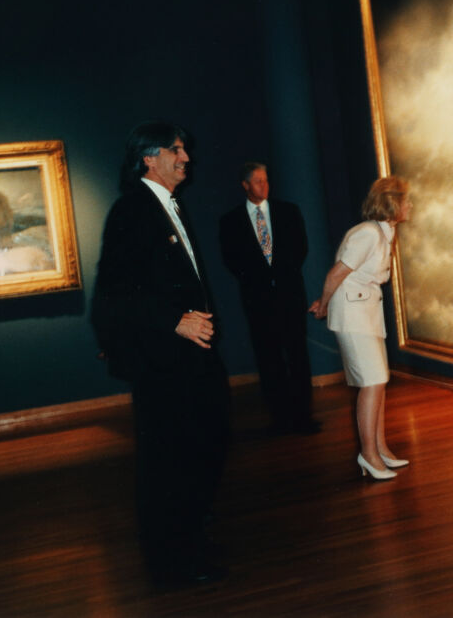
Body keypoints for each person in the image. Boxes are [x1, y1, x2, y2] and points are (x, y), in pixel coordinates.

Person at [91, 121, 230, 589]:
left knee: (200, 449)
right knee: (167, 462)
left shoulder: (172, 207)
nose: (186, 157)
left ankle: (189, 534)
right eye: (176, 150)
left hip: (192, 358)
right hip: (162, 361)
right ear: (149, 159)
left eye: (185, 149)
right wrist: (174, 320)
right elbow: (113, 295)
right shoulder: (132, 212)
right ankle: (172, 561)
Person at [309, 176, 412, 481]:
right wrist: (324, 304)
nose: (409, 206)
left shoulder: (384, 230)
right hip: (353, 315)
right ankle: (368, 454)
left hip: (366, 311)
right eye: (405, 200)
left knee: (378, 381)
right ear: (392, 201)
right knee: (372, 381)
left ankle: (379, 448)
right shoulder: (367, 233)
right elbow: (336, 273)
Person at [219, 163, 319, 434]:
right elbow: (231, 259)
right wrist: (257, 279)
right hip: (257, 300)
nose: (264, 186)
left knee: (297, 355)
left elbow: (301, 248)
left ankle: (304, 416)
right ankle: (280, 418)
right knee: (269, 358)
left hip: (290, 295)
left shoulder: (288, 211)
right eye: (258, 182)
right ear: (245, 185)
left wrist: (282, 275)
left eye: (266, 181)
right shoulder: (230, 221)